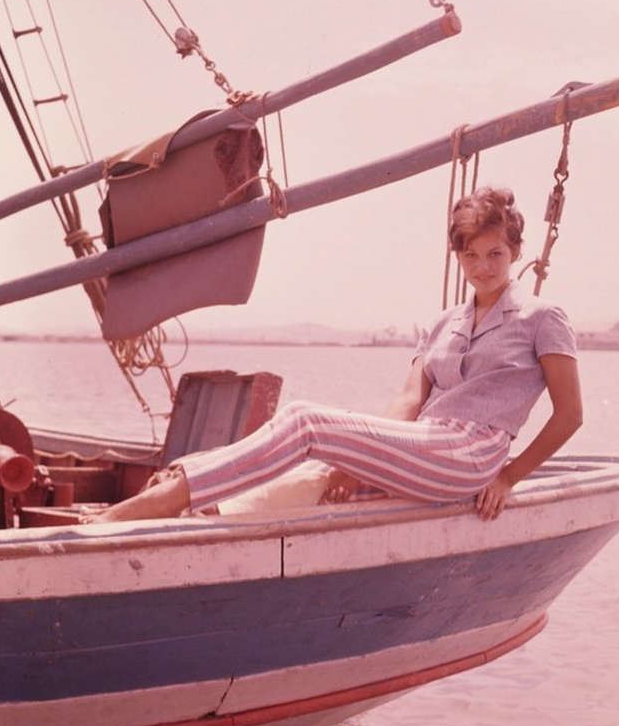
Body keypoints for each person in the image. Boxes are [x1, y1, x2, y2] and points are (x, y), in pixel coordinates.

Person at [89, 186, 582, 524]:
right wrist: (357, 461)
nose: (483, 267)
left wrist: (510, 476)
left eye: (494, 254)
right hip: (424, 444)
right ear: (459, 256)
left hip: (472, 455)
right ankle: (201, 513)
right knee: (320, 473)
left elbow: (569, 415)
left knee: (306, 421)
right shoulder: (443, 323)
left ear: (515, 252)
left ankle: (160, 498)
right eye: (471, 256)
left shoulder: (541, 317)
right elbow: (407, 403)